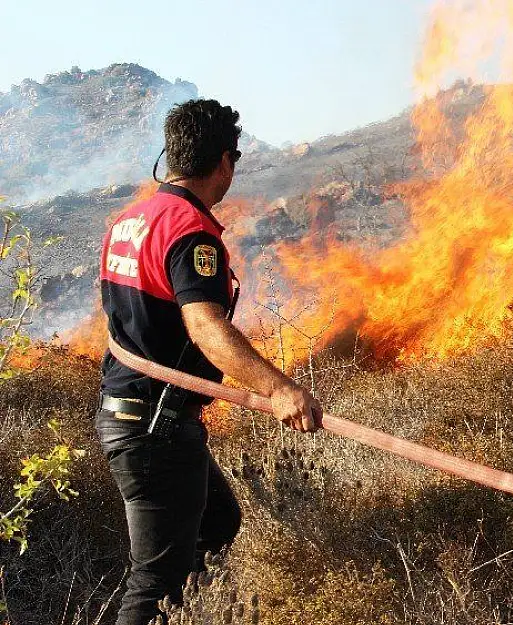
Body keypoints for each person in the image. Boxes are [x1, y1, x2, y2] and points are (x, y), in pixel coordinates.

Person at [96, 99, 322, 625]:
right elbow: (206, 328)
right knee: (153, 585)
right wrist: (280, 388)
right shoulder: (191, 231)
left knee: (218, 525)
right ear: (224, 161)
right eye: (235, 160)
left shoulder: (130, 220)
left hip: (132, 415)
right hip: (155, 429)